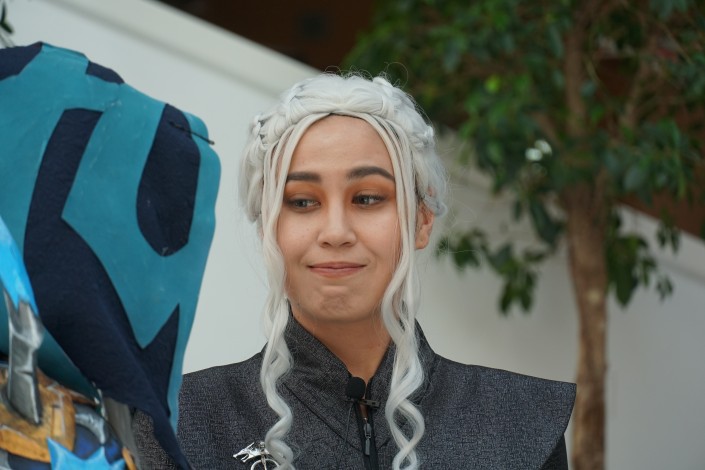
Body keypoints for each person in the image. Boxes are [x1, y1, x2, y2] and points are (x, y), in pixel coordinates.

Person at [135, 73, 575, 469]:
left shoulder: (523, 422)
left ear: (422, 220)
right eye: (302, 201)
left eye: (367, 198)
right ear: (268, 226)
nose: (335, 232)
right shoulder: (179, 425)